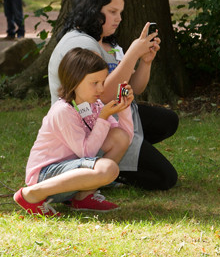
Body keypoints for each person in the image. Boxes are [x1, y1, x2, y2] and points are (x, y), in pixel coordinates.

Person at [48, 0, 179, 191]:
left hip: (109, 116)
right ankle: (99, 168)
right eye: (112, 12)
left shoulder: (107, 41)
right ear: (92, 11)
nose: (119, 18)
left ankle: (111, 165)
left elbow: (133, 89)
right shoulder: (79, 44)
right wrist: (133, 53)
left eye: (120, 12)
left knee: (167, 121)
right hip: (86, 127)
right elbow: (103, 95)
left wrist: (145, 61)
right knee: (165, 179)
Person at [14, 48, 134, 216]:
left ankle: (83, 197)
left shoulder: (95, 105)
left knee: (118, 138)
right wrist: (103, 117)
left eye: (103, 81)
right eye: (94, 83)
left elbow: (125, 138)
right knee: (108, 169)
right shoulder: (63, 111)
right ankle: (32, 194)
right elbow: (87, 152)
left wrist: (124, 109)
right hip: (45, 176)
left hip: (70, 177)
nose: (101, 89)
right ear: (75, 81)